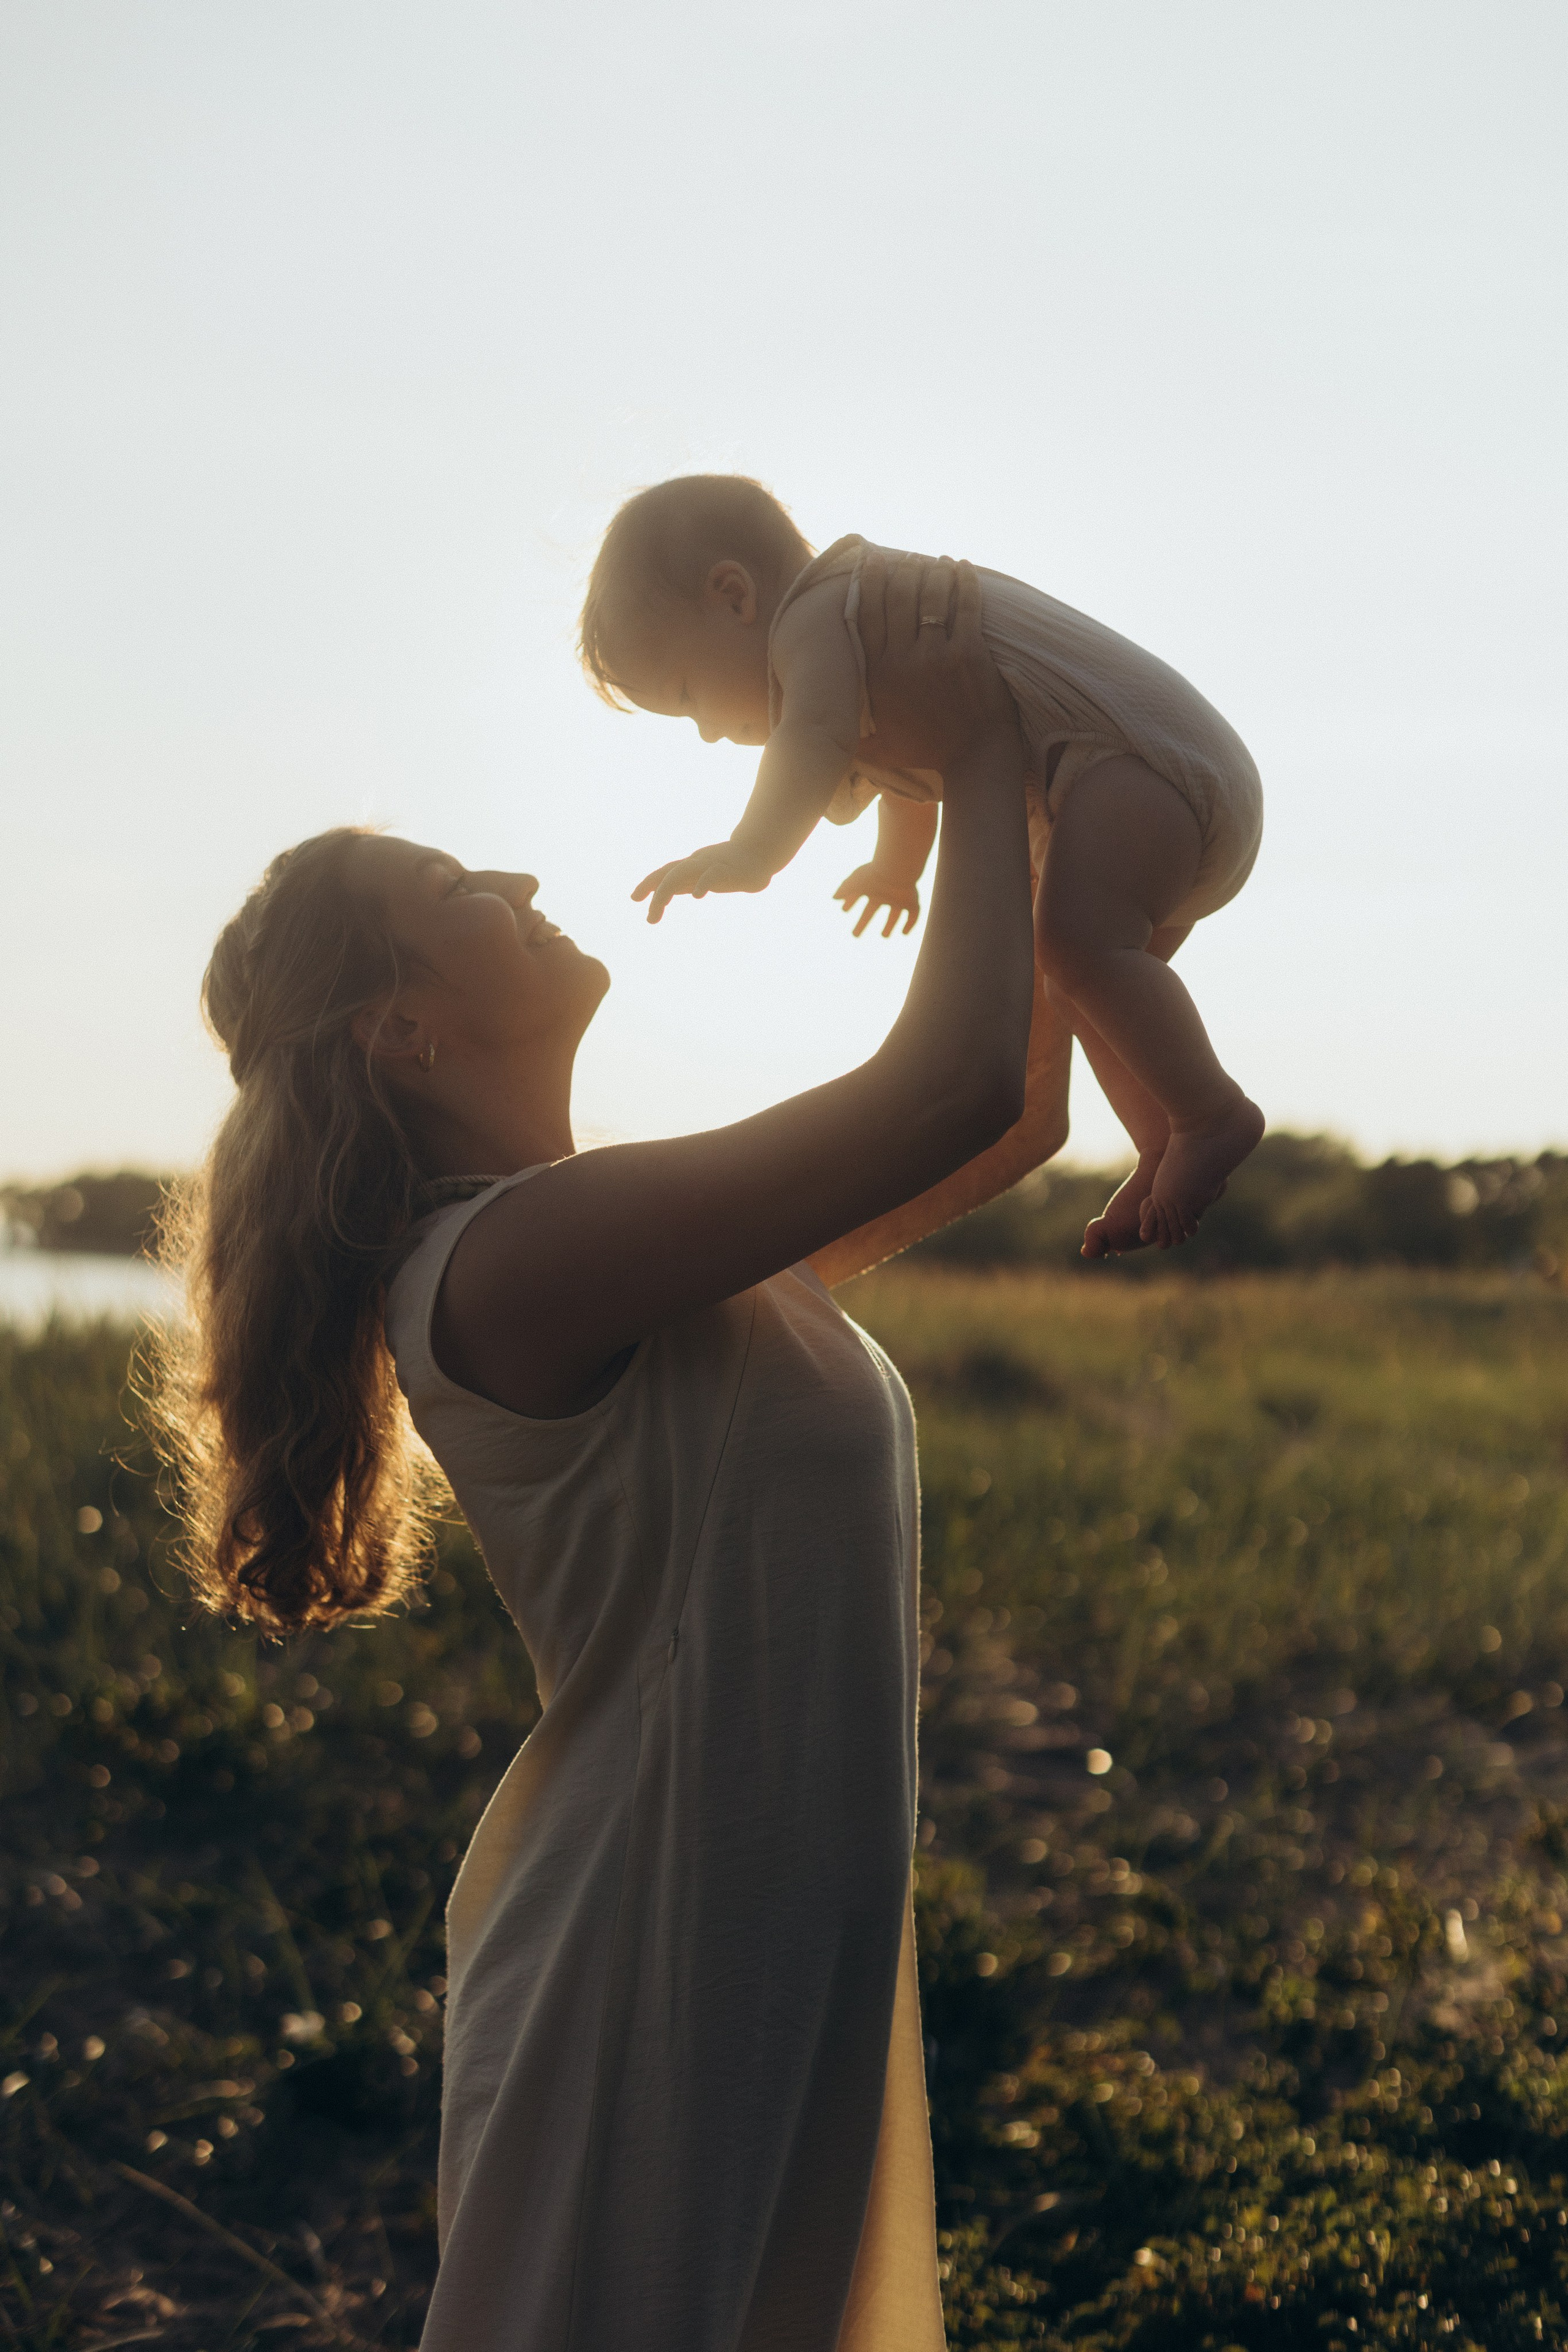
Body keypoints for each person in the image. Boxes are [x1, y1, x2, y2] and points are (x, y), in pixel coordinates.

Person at [154, 557, 1057, 2352]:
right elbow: (947, 1086)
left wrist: (1012, 790)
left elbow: (1014, 1109)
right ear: (401, 1028)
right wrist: (968, 744)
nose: (522, 880)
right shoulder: (515, 1257)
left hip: (763, 1906)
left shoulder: (621, 1236)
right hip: (654, 1934)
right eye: (456, 894)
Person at [579, 472, 1267, 1258]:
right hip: (1135, 794)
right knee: (1074, 977)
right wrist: (893, 869)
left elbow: (815, 737)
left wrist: (753, 852)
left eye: (687, 692)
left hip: (1147, 767)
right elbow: (918, 771)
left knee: (1076, 945)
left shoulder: (819, 613)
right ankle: (1160, 1142)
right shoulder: (865, 641)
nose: (705, 731)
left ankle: (1209, 1113)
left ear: (733, 594)